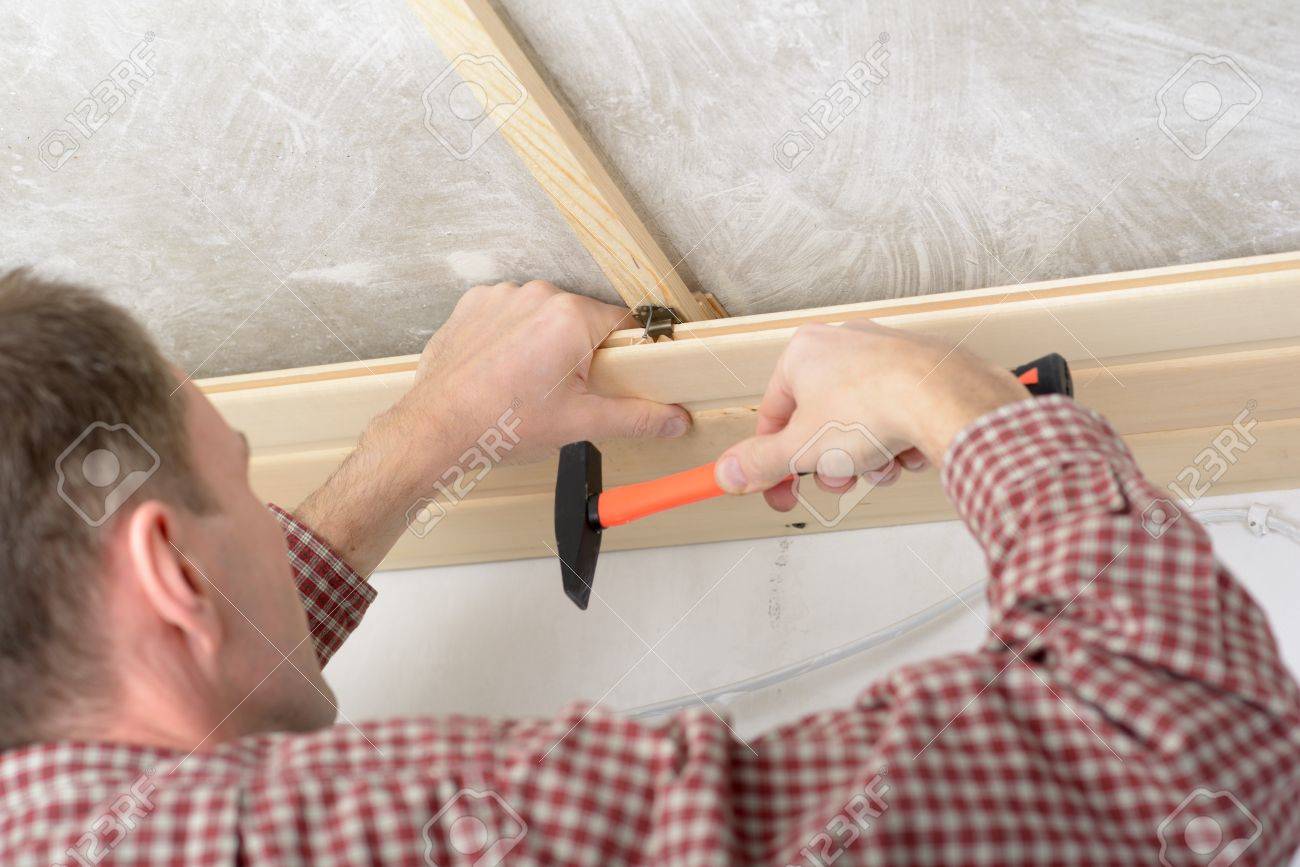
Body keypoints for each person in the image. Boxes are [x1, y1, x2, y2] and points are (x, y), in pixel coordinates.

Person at [0, 268, 1296, 866]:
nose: (261, 504)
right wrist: (947, 397)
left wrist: (431, 441)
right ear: (170, 571)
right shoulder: (419, 832)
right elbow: (1195, 758)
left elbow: (146, 670)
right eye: (242, 478)